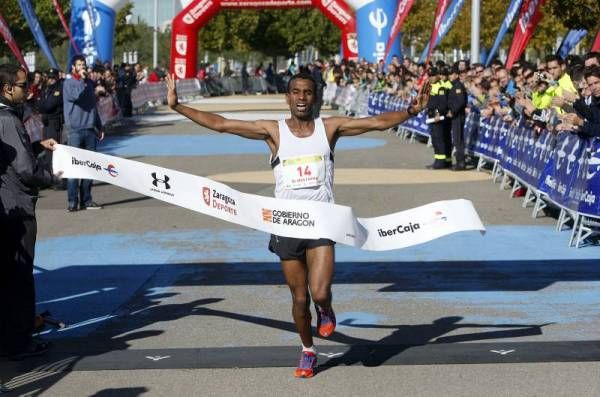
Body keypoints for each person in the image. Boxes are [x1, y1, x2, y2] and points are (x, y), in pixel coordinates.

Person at [165, 72, 430, 378]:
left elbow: (376, 122)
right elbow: (222, 124)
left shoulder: (329, 127)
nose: (302, 97)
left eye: (307, 92)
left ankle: (327, 308)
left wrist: (412, 111)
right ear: (287, 97)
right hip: (286, 225)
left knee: (318, 294)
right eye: (296, 92)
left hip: (321, 223)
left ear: (314, 96)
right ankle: (308, 350)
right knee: (300, 299)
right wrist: (177, 106)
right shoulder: (273, 132)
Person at [0, 64, 58, 359]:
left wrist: (35, 144)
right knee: (19, 278)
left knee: (10, 276)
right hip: (16, 207)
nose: (29, 90)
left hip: (7, 204)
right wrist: (51, 176)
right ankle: (19, 342)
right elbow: (22, 168)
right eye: (23, 85)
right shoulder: (8, 119)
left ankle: (11, 336)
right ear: (8, 88)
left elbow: (13, 155)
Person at [63, 55, 104, 212]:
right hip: (75, 130)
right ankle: (72, 201)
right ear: (73, 67)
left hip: (89, 129)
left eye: (84, 64)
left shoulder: (89, 83)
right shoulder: (69, 83)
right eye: (79, 65)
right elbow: (75, 96)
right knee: (74, 167)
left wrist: (99, 126)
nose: (82, 67)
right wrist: (81, 80)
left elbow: (92, 105)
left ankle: (86, 199)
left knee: (90, 167)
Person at [37, 68, 64, 184]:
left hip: (54, 122)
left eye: (53, 77)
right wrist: (42, 105)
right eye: (50, 77)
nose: (51, 79)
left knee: (54, 151)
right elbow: (40, 104)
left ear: (57, 77)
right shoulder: (47, 89)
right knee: (48, 150)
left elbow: (49, 105)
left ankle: (58, 178)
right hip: (47, 123)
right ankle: (51, 176)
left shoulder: (58, 89)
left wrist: (42, 105)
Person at [447, 65, 468, 170]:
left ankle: (461, 163)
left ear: (456, 75)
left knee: (458, 140)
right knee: (456, 139)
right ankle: (459, 161)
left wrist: (453, 111)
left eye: (451, 74)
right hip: (455, 115)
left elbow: (460, 102)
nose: (450, 76)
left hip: (458, 116)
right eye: (449, 74)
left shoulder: (458, 86)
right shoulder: (453, 85)